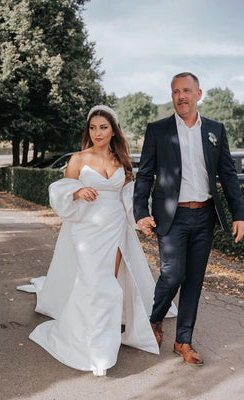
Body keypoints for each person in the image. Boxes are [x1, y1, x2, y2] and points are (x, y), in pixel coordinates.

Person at [18, 105, 177, 377]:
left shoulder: (122, 160)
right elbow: (60, 191)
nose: (97, 133)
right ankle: (89, 342)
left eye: (103, 127)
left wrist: (142, 219)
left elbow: (129, 198)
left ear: (113, 130)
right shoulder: (79, 159)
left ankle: (103, 343)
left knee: (108, 284)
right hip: (86, 230)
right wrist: (78, 191)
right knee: (93, 281)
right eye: (92, 128)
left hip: (115, 228)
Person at [133, 72, 244, 366]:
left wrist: (239, 214)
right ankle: (155, 319)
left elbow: (228, 174)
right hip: (172, 216)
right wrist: (141, 212)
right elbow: (145, 173)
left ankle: (183, 341)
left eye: (186, 91)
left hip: (205, 215)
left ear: (198, 94)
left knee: (194, 280)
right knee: (172, 274)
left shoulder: (215, 130)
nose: (180, 97)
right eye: (175, 92)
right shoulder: (158, 130)